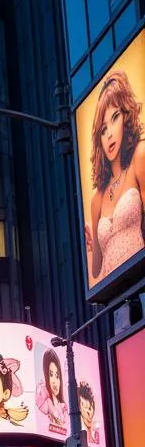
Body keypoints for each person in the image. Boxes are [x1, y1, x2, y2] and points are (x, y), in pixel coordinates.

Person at [84, 69, 145, 285]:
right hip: (117, 296)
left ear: (126, 117)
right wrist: (90, 246)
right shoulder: (97, 198)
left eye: (115, 118)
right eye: (103, 129)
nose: (109, 133)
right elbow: (96, 271)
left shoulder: (139, 156)